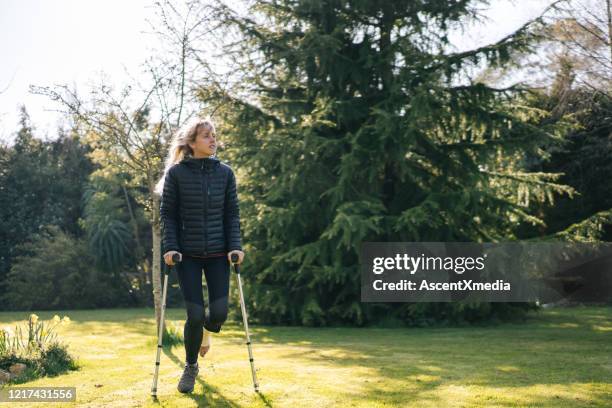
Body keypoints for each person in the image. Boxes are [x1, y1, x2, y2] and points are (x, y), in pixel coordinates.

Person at [155, 116, 245, 394]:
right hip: (188, 256)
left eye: (214, 135)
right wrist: (171, 247)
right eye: (206, 136)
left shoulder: (225, 173)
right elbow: (168, 215)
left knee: (218, 313)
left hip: (219, 254)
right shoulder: (176, 174)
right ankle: (191, 366)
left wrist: (236, 245)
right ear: (192, 143)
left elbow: (232, 214)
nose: (213, 140)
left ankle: (207, 334)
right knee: (195, 315)